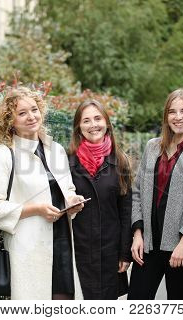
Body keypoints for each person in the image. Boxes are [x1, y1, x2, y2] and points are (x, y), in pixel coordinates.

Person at [0, 87, 85, 300]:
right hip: (28, 248)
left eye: (34, 110)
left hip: (64, 241)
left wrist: (73, 202)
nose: (31, 117)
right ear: (10, 121)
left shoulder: (55, 149)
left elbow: (68, 190)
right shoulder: (4, 154)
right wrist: (35, 209)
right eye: (22, 113)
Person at [128, 88, 183, 300]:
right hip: (147, 246)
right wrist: (138, 233)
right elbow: (137, 191)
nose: (178, 117)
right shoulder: (152, 146)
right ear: (166, 116)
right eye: (172, 111)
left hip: (180, 249)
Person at [68, 99, 133, 299]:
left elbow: (126, 210)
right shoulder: (66, 160)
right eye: (86, 120)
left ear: (106, 123)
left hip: (110, 251)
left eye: (97, 118)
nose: (93, 125)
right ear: (79, 127)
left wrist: (124, 253)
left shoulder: (120, 161)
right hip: (78, 251)